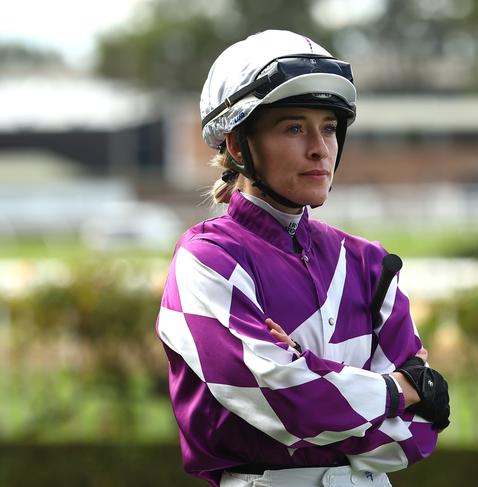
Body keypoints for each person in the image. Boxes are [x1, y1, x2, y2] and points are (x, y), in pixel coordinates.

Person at [156, 30, 450, 487]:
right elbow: (276, 397)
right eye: (294, 127)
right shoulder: (205, 261)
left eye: (329, 127)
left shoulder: (371, 264)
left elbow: (419, 433)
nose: (320, 148)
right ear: (237, 145)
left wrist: (307, 375)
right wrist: (397, 390)